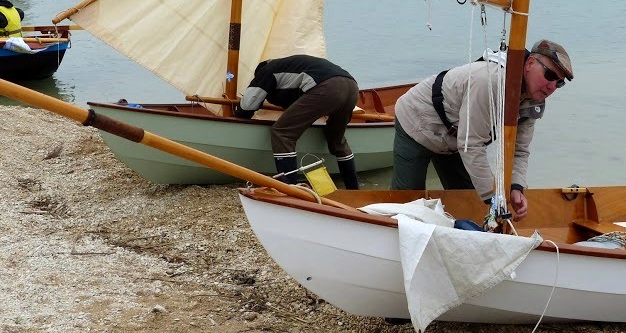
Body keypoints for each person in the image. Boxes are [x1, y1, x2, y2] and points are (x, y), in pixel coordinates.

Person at [391, 39, 573, 221]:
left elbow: (520, 150)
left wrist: (516, 187)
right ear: (530, 63)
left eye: (559, 83)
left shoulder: (534, 100)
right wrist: (493, 197)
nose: (552, 86)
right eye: (549, 75)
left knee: (470, 202)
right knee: (407, 205)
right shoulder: (491, 82)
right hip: (418, 122)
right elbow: (471, 144)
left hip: (456, 138)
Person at [234, 55, 360, 189]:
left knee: (282, 132)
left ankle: (289, 187)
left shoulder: (266, 71)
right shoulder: (291, 66)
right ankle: (353, 189)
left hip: (326, 87)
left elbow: (248, 105)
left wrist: (237, 114)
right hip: (352, 87)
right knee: (337, 141)